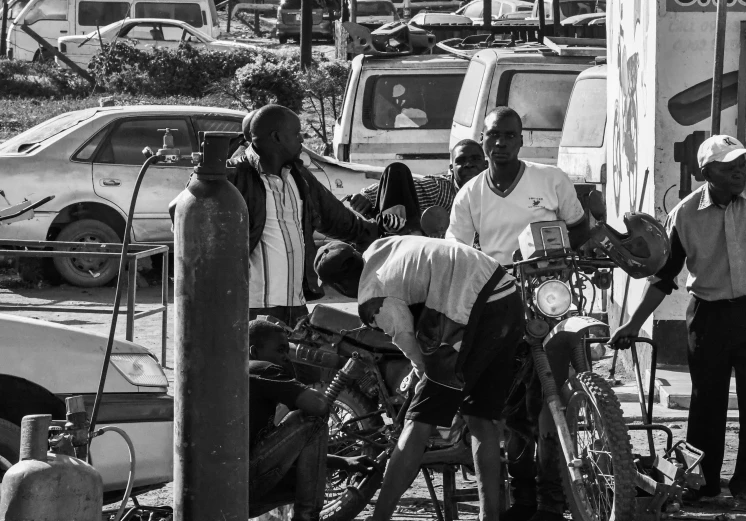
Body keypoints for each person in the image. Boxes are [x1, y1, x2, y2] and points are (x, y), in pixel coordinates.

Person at [610, 135, 746, 509]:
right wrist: (632, 324)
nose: (739, 171)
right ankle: (702, 483)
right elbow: (663, 277)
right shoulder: (685, 214)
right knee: (706, 404)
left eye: (742, 163)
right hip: (710, 318)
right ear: (706, 172)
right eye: (728, 166)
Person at [445, 106, 590, 521]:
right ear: (484, 140)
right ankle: (524, 498)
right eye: (494, 136)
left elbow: (580, 227)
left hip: (550, 298)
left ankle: (552, 498)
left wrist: (563, 257)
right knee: (513, 409)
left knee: (553, 397)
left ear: (521, 139)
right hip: (499, 304)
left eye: (510, 136)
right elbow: (456, 251)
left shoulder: (550, 179)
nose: (501, 143)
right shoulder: (470, 193)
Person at [314, 236, 522, 521]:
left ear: (338, 286)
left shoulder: (372, 296)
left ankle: (380, 517)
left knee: (417, 424)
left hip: (471, 306)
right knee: (481, 418)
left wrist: (419, 377)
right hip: (506, 291)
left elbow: (410, 342)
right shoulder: (380, 247)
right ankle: (490, 517)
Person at [216, 104, 378, 323]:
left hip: (295, 303)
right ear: (277, 137)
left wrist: (379, 234)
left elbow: (338, 219)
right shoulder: (233, 175)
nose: (302, 139)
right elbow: (182, 212)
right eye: (296, 133)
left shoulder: (298, 176)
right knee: (259, 357)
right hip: (251, 307)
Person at [247, 319, 375, 519]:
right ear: (254, 352)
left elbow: (285, 454)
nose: (286, 358)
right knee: (312, 419)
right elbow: (318, 406)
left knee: (303, 475)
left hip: (230, 488)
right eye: (280, 350)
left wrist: (344, 462)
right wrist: (342, 373)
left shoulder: (236, 374)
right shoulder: (260, 369)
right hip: (246, 483)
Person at [346, 139, 487, 219]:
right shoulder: (440, 189)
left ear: (486, 165)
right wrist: (366, 196)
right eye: (461, 161)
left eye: (475, 159)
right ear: (451, 168)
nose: (469, 164)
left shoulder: (497, 190)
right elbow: (403, 185)